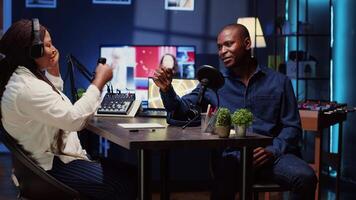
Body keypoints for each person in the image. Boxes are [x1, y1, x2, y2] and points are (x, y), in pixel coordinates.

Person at [153, 23, 317, 200]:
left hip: (272, 157)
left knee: (306, 177)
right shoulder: (212, 82)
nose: (222, 51)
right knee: (222, 183)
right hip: (232, 158)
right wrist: (167, 90)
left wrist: (272, 150)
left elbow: (292, 127)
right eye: (219, 47)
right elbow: (181, 111)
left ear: (247, 44)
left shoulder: (279, 82)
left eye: (228, 44)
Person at [0, 19, 137, 200]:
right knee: (127, 183)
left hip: (43, 164)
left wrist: (54, 70)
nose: (53, 49)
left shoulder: (21, 77)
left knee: (131, 173)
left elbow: (51, 104)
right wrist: (99, 81)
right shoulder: (27, 87)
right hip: (53, 168)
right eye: (47, 45)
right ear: (32, 51)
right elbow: (74, 119)